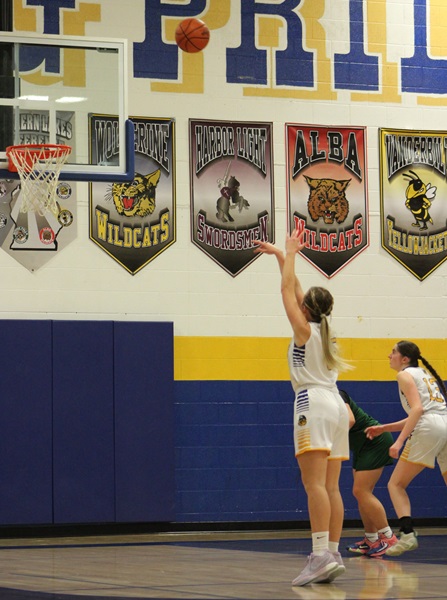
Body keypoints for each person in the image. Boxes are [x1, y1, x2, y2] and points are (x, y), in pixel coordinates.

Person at [254, 229, 350, 586]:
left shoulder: (303, 330)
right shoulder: (327, 330)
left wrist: (292, 253)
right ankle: (334, 552)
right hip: (337, 405)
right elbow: (295, 289)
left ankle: (320, 554)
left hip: (313, 402)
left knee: (314, 486)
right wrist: (282, 254)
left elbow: (286, 291)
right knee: (333, 487)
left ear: (306, 309)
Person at [365, 340, 447, 556]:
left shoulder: (404, 375)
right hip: (444, 424)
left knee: (395, 484)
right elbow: (423, 412)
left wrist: (399, 441)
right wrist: (385, 428)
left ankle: (407, 534)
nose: (389, 356)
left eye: (393, 352)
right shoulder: (424, 374)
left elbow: (418, 411)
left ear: (404, 359)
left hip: (429, 427)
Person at [339, 389, 398, 557]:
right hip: (361, 446)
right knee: (362, 494)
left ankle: (388, 538)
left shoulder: (337, 394)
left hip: (374, 442)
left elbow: (349, 420)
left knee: (360, 491)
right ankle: (371, 539)